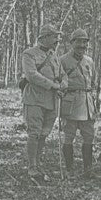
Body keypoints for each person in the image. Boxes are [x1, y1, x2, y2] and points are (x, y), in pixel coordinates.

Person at [20, 25, 68, 183]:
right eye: (54, 37)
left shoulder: (54, 56)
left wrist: (63, 85)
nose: (57, 41)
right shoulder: (29, 54)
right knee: (34, 133)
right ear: (44, 37)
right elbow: (32, 75)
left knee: (43, 134)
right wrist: (53, 85)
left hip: (51, 102)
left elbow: (62, 74)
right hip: (34, 100)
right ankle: (32, 166)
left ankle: (38, 163)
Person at [57, 29, 99, 178]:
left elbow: (93, 82)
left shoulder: (90, 61)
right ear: (72, 43)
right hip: (71, 103)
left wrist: (95, 101)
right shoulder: (62, 60)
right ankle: (69, 170)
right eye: (79, 41)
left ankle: (88, 169)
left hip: (87, 104)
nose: (82, 45)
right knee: (69, 137)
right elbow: (58, 82)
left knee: (89, 136)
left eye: (85, 42)